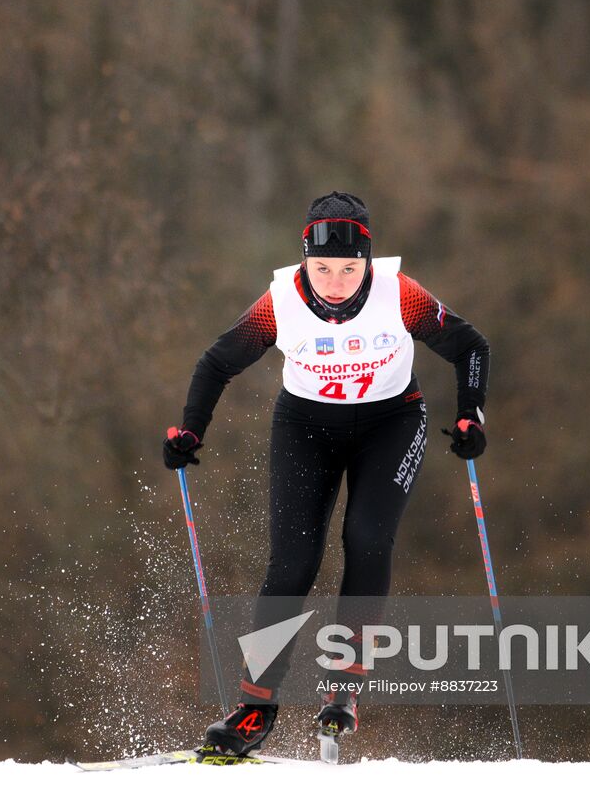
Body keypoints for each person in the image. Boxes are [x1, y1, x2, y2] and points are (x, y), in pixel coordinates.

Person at [162, 191, 490, 755]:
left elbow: (470, 346)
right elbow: (217, 362)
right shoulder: (280, 300)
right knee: (292, 561)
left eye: (348, 269)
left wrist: (471, 414)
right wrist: (192, 428)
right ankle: (254, 707)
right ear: (304, 262)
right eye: (322, 269)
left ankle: (343, 691)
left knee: (366, 539)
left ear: (367, 263)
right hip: (305, 427)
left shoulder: (399, 295)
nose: (335, 283)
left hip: (391, 423)